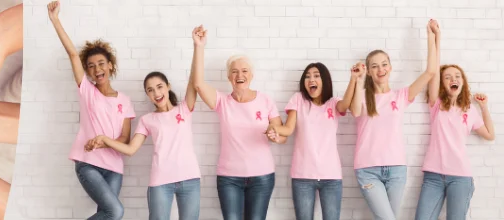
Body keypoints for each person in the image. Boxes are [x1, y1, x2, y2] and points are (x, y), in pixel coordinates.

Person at [347, 18, 442, 220]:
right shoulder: (363, 95)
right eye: (374, 66)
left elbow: (431, 72)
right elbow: (355, 112)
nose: (380, 69)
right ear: (369, 71)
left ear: (390, 67)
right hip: (368, 169)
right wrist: (358, 80)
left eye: (384, 64)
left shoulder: (400, 96)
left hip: (397, 170)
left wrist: (432, 36)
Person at [48, 1, 136, 219]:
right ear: (87, 71)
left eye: (101, 63)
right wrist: (55, 20)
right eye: (91, 65)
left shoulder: (124, 100)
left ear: (110, 66)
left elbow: (125, 138)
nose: (97, 69)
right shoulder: (87, 91)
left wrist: (105, 139)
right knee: (116, 211)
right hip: (89, 164)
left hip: (114, 167)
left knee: (107, 214)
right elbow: (72, 55)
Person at [187, 25, 284, 220]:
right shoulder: (222, 101)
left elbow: (282, 134)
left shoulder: (265, 101)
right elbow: (198, 84)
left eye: (245, 71)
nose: (240, 75)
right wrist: (199, 46)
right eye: (235, 72)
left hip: (262, 177)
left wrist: (275, 135)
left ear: (252, 74)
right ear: (229, 77)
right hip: (229, 178)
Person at [88, 72, 201, 220]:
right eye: (150, 90)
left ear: (168, 87)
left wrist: (198, 48)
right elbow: (130, 149)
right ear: (147, 94)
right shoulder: (147, 120)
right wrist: (105, 139)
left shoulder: (184, 109)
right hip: (161, 182)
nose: (156, 93)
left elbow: (194, 79)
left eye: (159, 87)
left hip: (190, 178)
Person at [415, 19, 497, 220]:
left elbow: (490, 135)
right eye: (448, 77)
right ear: (442, 84)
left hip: (461, 177)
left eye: (457, 76)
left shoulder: (469, 111)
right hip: (433, 176)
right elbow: (433, 71)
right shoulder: (436, 105)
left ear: (463, 82)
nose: (453, 79)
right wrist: (434, 37)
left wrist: (484, 107)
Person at [267, 62, 355, 220]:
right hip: (303, 176)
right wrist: (273, 128)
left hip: (331, 176)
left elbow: (344, 106)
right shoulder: (298, 99)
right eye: (307, 77)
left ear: (325, 80)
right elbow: (288, 129)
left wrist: (354, 78)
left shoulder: (334, 103)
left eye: (316, 76)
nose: (311, 79)